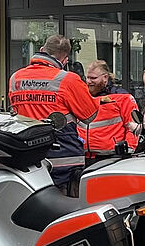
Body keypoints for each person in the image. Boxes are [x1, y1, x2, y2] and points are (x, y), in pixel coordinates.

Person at [8, 35, 98, 195]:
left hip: (27, 160)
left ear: (42, 50)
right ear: (65, 59)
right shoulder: (68, 79)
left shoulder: (16, 78)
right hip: (62, 159)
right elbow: (90, 115)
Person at [83, 60, 138, 160]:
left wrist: (129, 150)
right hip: (84, 157)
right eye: (87, 77)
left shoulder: (122, 97)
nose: (89, 81)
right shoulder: (82, 97)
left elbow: (133, 127)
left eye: (93, 78)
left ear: (105, 77)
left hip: (112, 157)